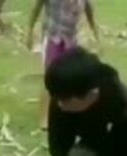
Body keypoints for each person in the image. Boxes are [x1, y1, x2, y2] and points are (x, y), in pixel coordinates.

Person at [26, 0, 99, 130]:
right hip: (53, 37)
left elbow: (89, 12)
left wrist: (95, 34)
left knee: (71, 77)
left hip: (71, 40)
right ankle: (45, 119)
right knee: (50, 77)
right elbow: (36, 9)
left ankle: (69, 114)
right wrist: (30, 33)